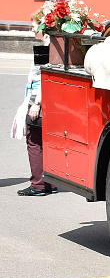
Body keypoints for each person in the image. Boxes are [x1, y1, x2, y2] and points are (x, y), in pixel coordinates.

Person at [10, 10, 58, 197]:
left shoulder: (47, 47)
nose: (31, 28)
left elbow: (45, 76)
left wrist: (37, 103)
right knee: (43, 139)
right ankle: (48, 181)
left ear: (42, 25)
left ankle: (38, 184)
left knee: (34, 140)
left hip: (38, 96)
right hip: (39, 95)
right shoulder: (51, 44)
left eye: (33, 24)